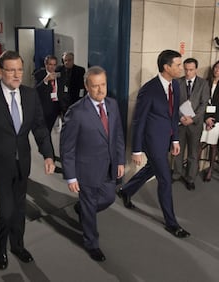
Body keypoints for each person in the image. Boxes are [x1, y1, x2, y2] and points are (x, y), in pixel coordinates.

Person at [0, 50, 55, 270]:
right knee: (6, 211)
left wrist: (48, 154)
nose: (17, 75)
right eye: (11, 70)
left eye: (20, 69)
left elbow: (40, 127)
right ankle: (1, 246)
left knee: (19, 210)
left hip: (21, 164)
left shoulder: (30, 94)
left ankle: (18, 245)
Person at [117, 50, 190, 238]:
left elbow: (173, 114)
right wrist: (136, 149)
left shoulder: (175, 84)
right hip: (151, 141)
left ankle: (126, 190)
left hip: (166, 138)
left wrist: (174, 139)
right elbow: (138, 121)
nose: (180, 68)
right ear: (167, 67)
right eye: (178, 65)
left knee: (152, 168)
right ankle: (172, 223)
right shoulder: (148, 90)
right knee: (165, 179)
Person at [60, 66, 125, 261]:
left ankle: (83, 209)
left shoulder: (113, 105)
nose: (100, 90)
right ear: (86, 86)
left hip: (110, 166)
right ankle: (92, 243)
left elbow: (118, 135)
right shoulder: (76, 112)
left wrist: (120, 160)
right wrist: (71, 176)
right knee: (90, 208)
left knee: (108, 198)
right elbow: (67, 147)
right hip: (86, 169)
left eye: (103, 85)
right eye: (95, 86)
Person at [172, 58, 209, 190]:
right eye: (186, 69)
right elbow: (173, 102)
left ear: (196, 69)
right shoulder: (177, 82)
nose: (188, 72)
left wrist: (193, 119)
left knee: (193, 153)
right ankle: (176, 174)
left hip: (195, 124)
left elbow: (204, 104)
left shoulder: (203, 84)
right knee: (178, 151)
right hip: (180, 123)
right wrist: (181, 117)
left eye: (191, 70)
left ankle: (190, 178)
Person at [197, 60, 219, 182]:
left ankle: (211, 169)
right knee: (199, 143)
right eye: (216, 67)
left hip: (216, 119)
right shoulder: (205, 82)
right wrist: (206, 118)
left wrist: (213, 120)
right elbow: (201, 101)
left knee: (213, 145)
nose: (217, 70)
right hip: (204, 117)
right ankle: (196, 166)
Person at [34, 55, 69, 132]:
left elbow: (63, 90)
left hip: (59, 105)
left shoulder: (59, 75)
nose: (52, 67)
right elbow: (36, 90)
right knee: (47, 129)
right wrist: (46, 80)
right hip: (47, 106)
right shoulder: (39, 74)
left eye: (54, 65)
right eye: (50, 64)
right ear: (46, 65)